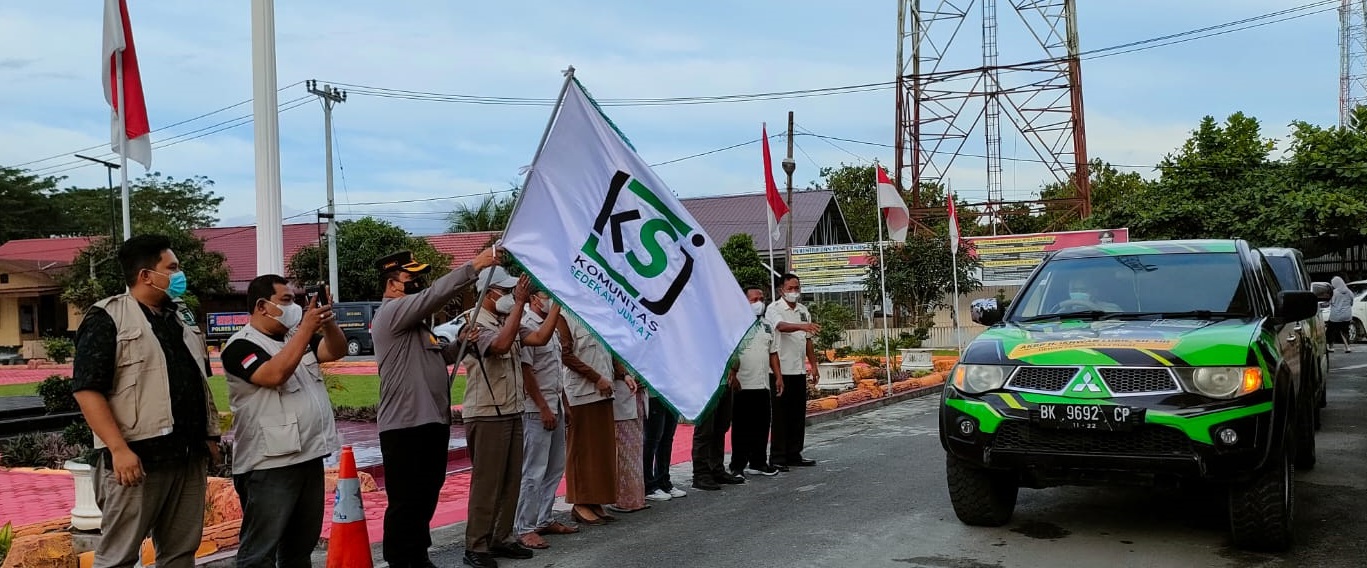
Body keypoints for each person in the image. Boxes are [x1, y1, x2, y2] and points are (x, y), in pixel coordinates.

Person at [71, 234, 222, 568]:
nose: (179, 274)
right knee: (118, 557)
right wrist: (118, 449)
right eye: (172, 267)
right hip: (137, 461)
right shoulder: (106, 318)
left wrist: (210, 436)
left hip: (187, 457)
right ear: (145, 275)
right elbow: (87, 390)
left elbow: (198, 381)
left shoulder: (180, 318)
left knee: (181, 553)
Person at [371, 248, 498, 568]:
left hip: (431, 420)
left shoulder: (419, 327)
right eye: (410, 277)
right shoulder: (392, 313)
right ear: (392, 284)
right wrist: (474, 266)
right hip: (405, 424)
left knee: (426, 494)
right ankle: (402, 559)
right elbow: (433, 296)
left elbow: (439, 356)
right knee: (406, 500)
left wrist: (459, 344)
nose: (417, 283)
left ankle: (417, 554)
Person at [221, 276, 346, 568]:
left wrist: (326, 322)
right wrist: (305, 329)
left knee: (299, 550)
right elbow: (273, 375)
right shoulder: (240, 346)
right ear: (263, 306)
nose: (295, 308)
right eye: (287, 301)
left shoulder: (294, 337)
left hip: (309, 455)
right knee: (259, 553)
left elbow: (336, 350)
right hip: (269, 464)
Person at [460, 267, 537, 567]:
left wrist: (555, 303)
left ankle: (501, 538)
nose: (508, 295)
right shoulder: (475, 321)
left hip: (511, 408)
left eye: (511, 291)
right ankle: (476, 545)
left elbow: (541, 337)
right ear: (488, 293)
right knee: (487, 483)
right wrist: (519, 303)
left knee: (510, 480)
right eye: (504, 291)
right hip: (487, 412)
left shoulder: (507, 319)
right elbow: (501, 345)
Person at [512, 289, 576, 551]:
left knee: (554, 467)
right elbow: (527, 372)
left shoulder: (551, 328)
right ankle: (525, 527)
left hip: (555, 404)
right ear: (533, 299)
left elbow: (555, 371)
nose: (549, 299)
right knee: (533, 471)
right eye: (544, 294)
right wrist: (542, 408)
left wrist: (564, 404)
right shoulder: (527, 326)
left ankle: (544, 517)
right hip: (536, 408)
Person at [559, 315, 619, 525]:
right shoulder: (564, 316)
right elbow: (565, 354)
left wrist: (621, 374)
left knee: (601, 451)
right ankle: (580, 502)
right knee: (582, 450)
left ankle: (596, 500)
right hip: (582, 393)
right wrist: (596, 377)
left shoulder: (593, 312)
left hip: (604, 390)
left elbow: (608, 350)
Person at [766, 273, 821, 469]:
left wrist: (813, 365)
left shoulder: (803, 310)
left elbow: (808, 340)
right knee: (780, 416)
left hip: (798, 370)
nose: (794, 292)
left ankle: (794, 453)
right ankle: (778, 457)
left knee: (798, 415)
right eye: (790, 288)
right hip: (780, 371)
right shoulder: (774, 309)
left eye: (796, 287)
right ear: (781, 290)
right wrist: (802, 326)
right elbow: (781, 327)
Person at [729, 287, 785, 478]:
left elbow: (773, 353)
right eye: (754, 299)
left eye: (761, 299)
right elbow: (728, 353)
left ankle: (759, 462)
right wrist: (732, 375)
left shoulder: (767, 325)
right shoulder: (735, 325)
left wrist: (778, 376)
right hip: (742, 384)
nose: (759, 302)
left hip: (762, 384)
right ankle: (737, 466)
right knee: (742, 428)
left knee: (762, 426)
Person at [608, 363, 646, 514]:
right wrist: (625, 375)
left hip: (637, 394)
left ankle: (637, 497)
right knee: (624, 448)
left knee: (636, 447)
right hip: (622, 391)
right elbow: (611, 364)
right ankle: (623, 499)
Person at [642, 393, 686, 502]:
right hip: (654, 393)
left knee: (667, 439)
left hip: (672, 394)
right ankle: (648, 486)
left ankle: (663, 481)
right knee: (652, 440)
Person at [1329, 276, 1355, 353]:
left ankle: (1330, 347)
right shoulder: (1349, 292)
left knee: (1331, 331)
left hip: (1336, 316)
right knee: (1344, 331)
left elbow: (1330, 302)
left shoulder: (1334, 293)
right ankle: (1347, 347)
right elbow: (1351, 303)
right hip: (1347, 315)